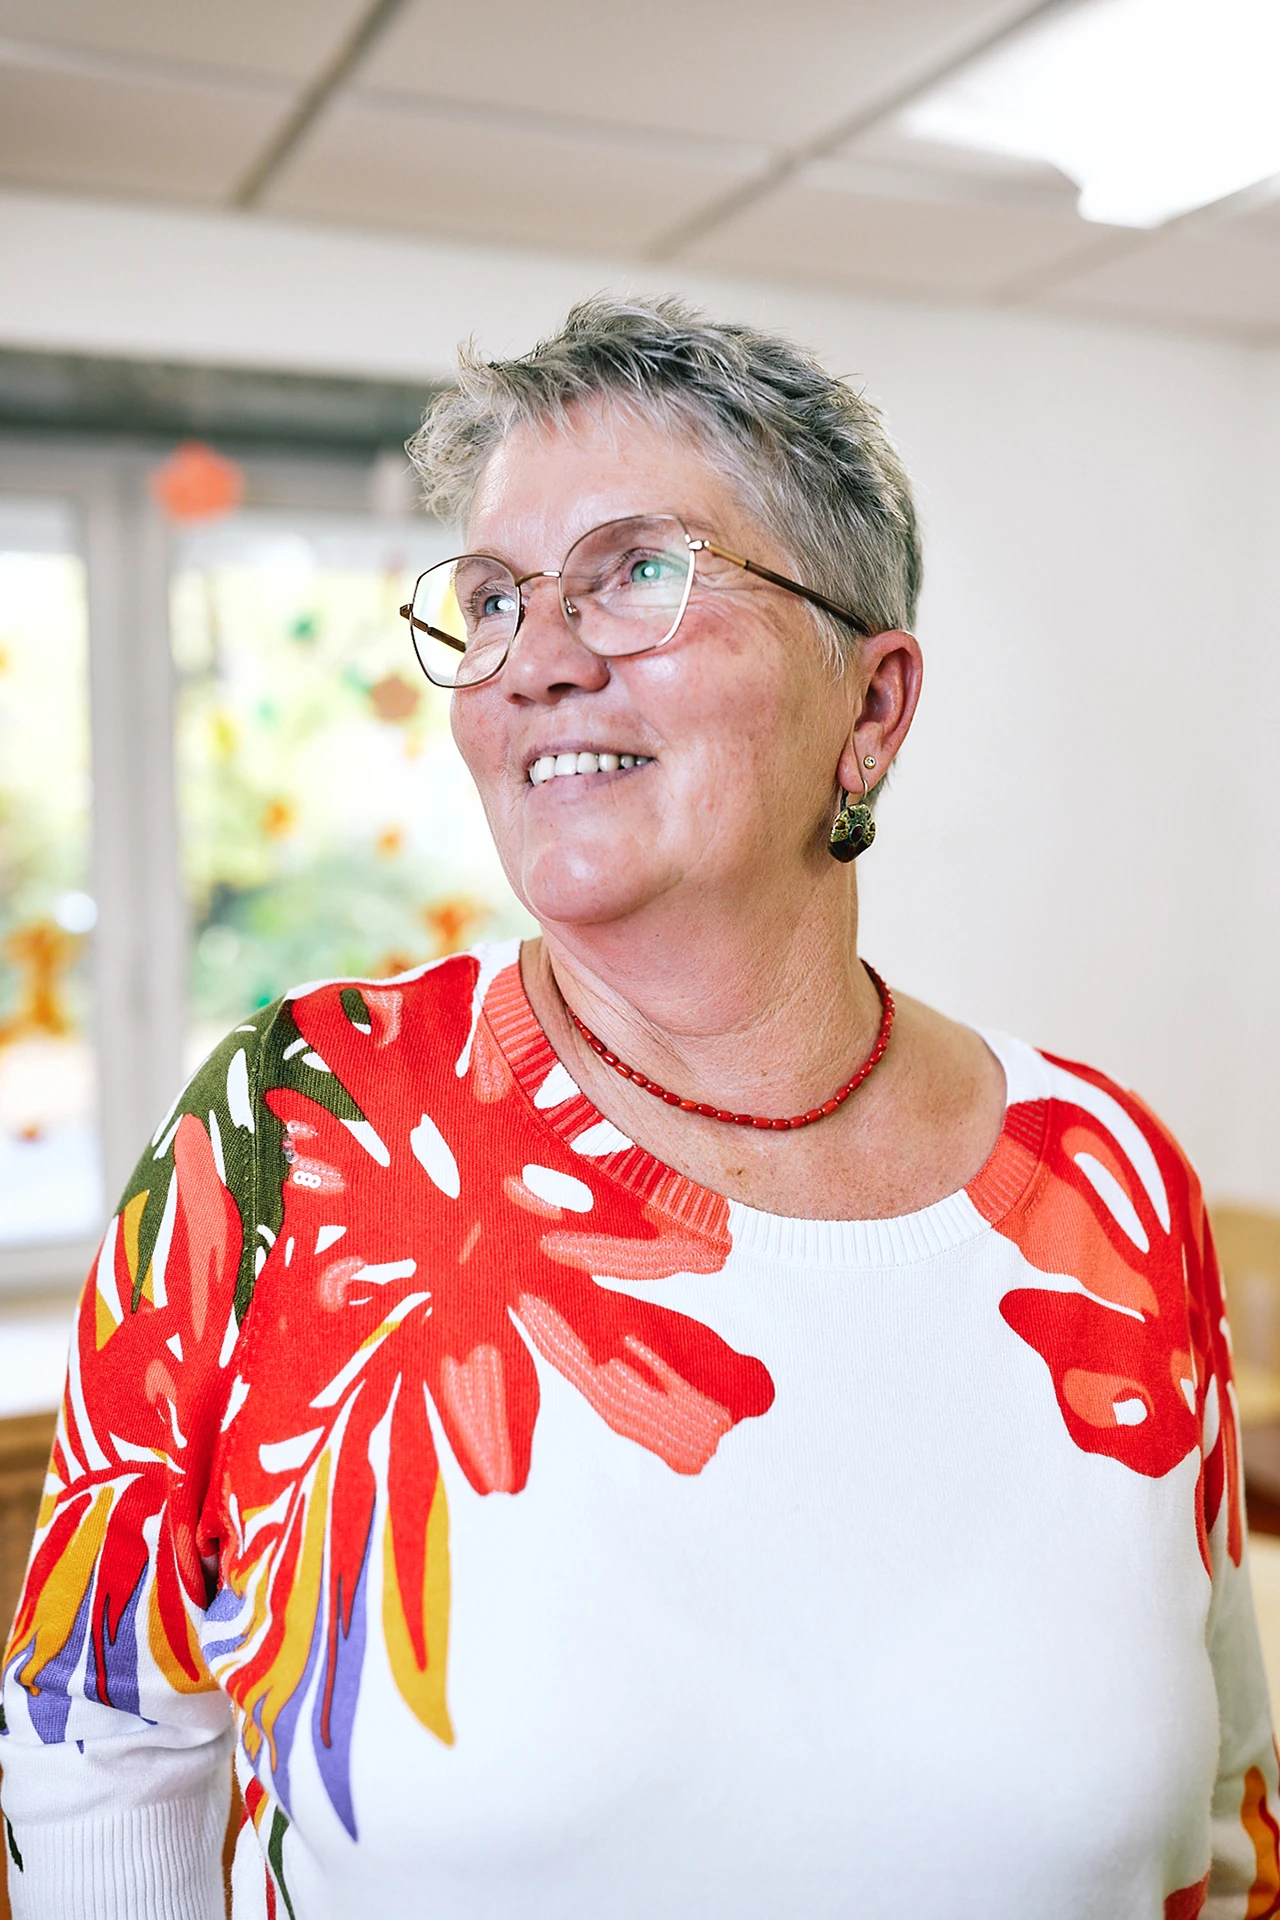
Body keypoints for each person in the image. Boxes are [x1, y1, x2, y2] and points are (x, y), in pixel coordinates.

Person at [1, 296, 1274, 1920]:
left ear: (871, 709)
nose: (535, 659)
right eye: (493, 598)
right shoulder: (285, 1137)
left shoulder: (1115, 1182)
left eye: (638, 572)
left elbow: (1222, 1815)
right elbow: (104, 1747)